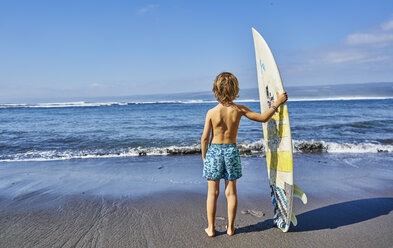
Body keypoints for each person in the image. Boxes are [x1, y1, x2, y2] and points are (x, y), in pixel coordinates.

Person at [201, 72, 288, 237]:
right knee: (231, 192)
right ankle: (230, 228)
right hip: (231, 151)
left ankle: (211, 228)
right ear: (235, 90)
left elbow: (205, 138)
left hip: (214, 151)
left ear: (215, 90)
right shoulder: (239, 109)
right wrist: (277, 103)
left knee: (212, 192)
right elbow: (263, 118)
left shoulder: (211, 112)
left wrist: (204, 157)